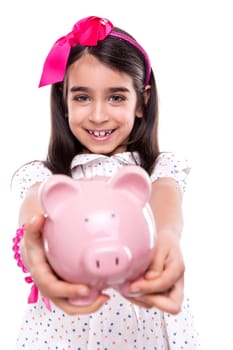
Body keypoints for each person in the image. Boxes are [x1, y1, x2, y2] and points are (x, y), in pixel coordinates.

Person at [11, 16, 201, 349]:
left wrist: (167, 236)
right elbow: (34, 208)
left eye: (116, 98)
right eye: (82, 98)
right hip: (65, 337)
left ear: (141, 101)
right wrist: (33, 243)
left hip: (147, 337)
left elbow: (165, 200)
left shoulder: (158, 170)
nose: (98, 115)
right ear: (63, 99)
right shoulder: (48, 177)